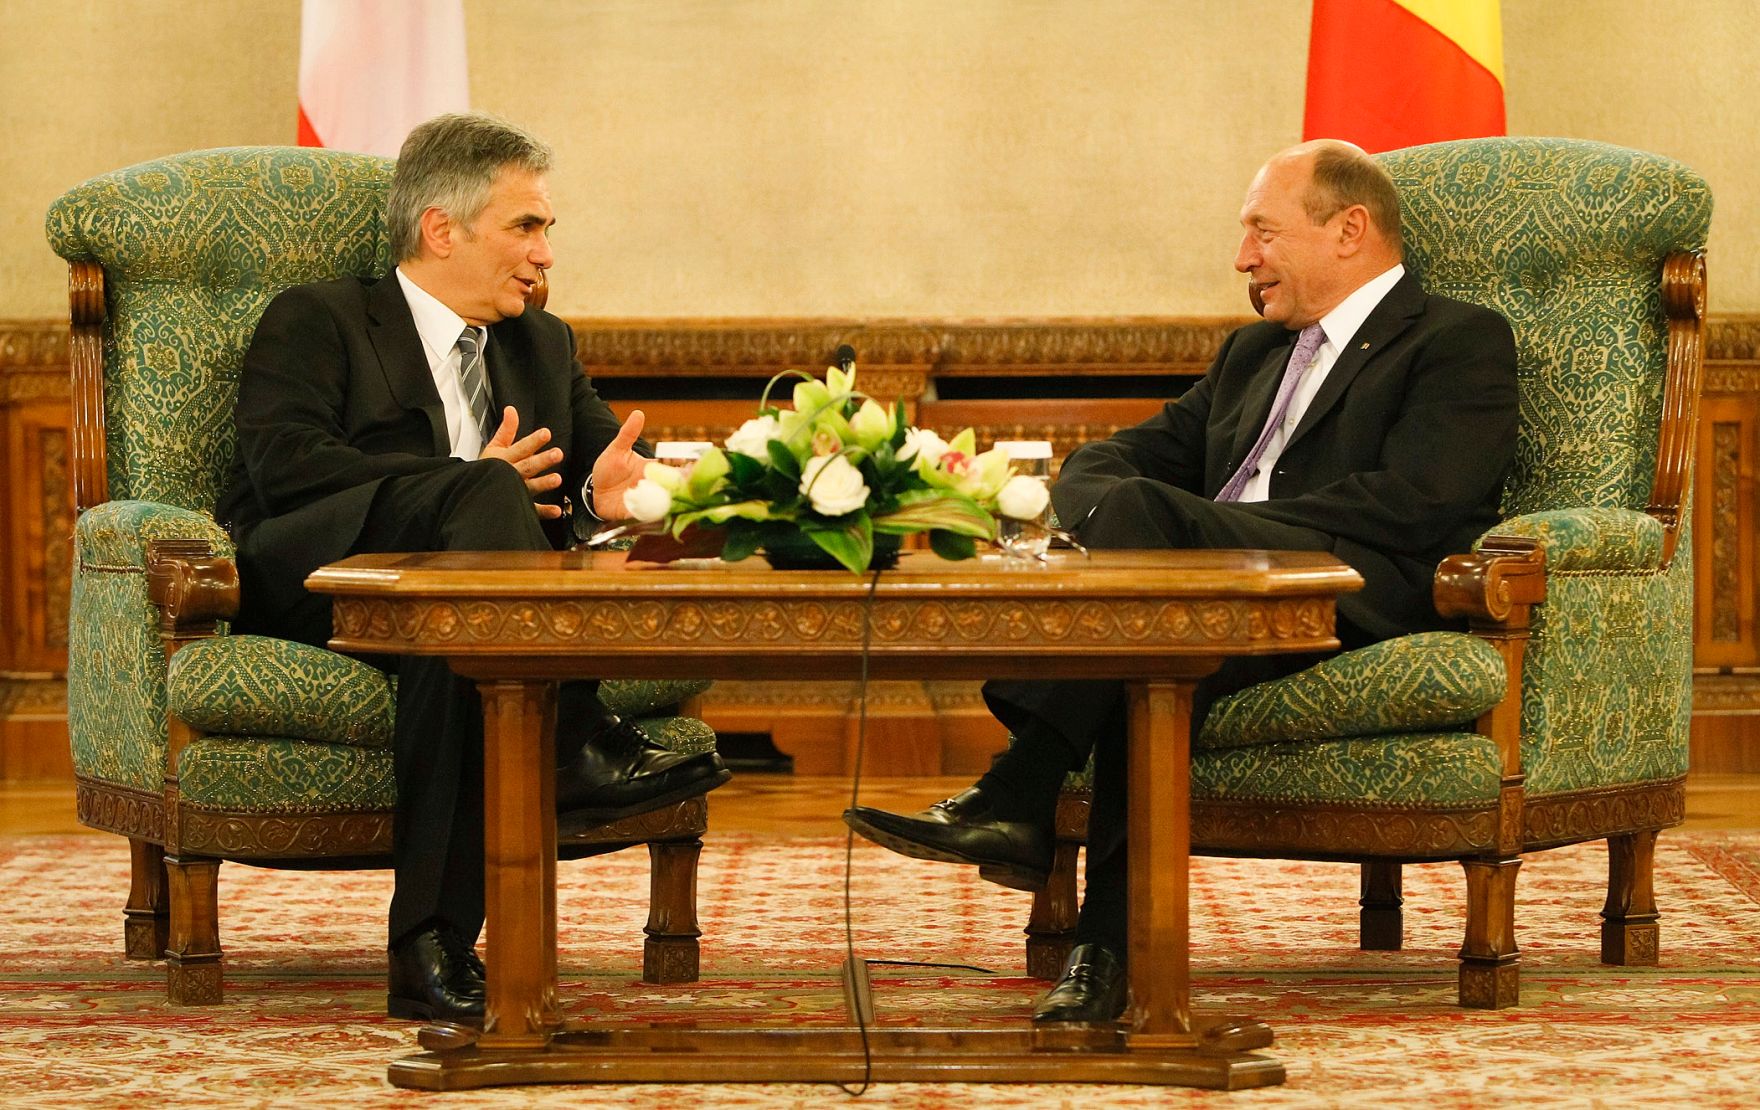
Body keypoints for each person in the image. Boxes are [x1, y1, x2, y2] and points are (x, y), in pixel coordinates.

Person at [844, 139, 1519, 1023]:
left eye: (1262, 232)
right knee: (1150, 655)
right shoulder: (1252, 354)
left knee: (1148, 548)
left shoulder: (1456, 338)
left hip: (1349, 592)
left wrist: (1199, 540)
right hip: (1207, 600)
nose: (1244, 258)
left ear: (1349, 229)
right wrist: (1176, 544)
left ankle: (1019, 788)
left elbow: (1416, 504)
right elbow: (1113, 459)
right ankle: (1102, 951)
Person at [216, 113, 730, 1024]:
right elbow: (285, 466)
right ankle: (574, 732)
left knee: (463, 654)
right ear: (441, 229)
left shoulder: (543, 343)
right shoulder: (321, 317)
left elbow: (600, 469)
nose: (545, 255)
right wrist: (465, 484)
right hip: (324, 581)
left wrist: (602, 501)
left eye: (547, 232)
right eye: (525, 227)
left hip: (464, 605)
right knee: (483, 504)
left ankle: (430, 948)